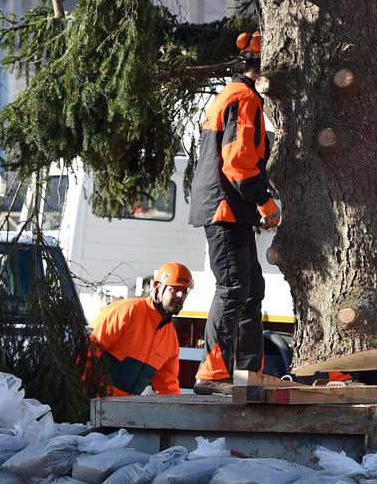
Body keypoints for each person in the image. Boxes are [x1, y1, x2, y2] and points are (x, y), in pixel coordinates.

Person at [189, 31, 282, 395]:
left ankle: (246, 374)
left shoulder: (234, 94)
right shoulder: (244, 98)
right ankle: (211, 374)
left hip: (231, 207)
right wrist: (264, 202)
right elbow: (238, 161)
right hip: (225, 206)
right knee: (232, 288)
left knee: (251, 289)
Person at [88, 262, 193, 396]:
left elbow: (168, 387)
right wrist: (77, 395)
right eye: (174, 288)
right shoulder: (126, 311)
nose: (180, 295)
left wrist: (177, 408)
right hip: (89, 398)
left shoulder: (171, 340)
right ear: (157, 286)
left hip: (122, 406)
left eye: (185, 291)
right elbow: (88, 350)